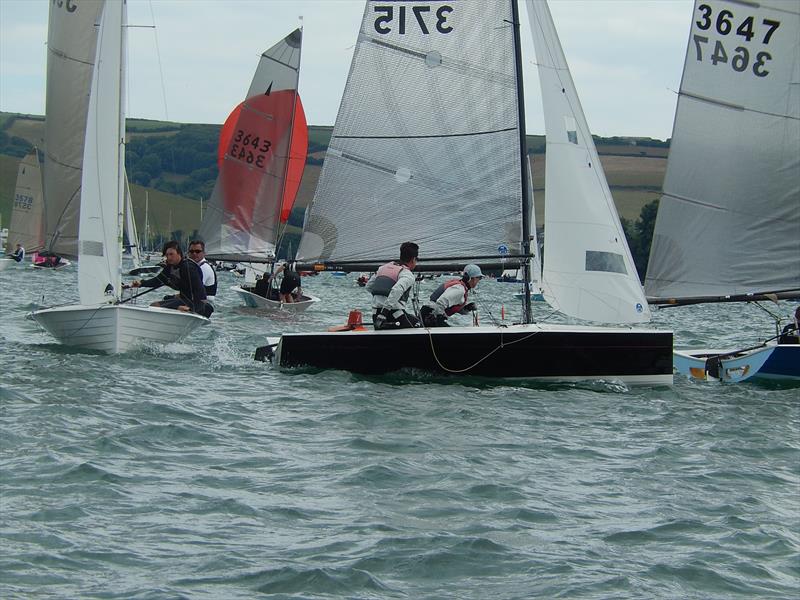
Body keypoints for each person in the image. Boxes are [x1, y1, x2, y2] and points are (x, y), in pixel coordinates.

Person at [127, 240, 210, 316]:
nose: (169, 257)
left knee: (155, 306)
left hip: (196, 304)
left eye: (171, 254)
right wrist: (141, 283)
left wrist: (191, 309)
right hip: (184, 300)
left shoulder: (188, 267)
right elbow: (157, 280)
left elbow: (201, 293)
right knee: (154, 305)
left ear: (179, 254)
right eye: (167, 255)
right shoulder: (170, 267)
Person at [366, 241, 421, 329]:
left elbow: (369, 287)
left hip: (376, 316)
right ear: (413, 259)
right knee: (417, 323)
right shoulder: (407, 274)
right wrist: (384, 312)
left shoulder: (383, 268)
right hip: (392, 316)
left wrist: (380, 297)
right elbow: (396, 289)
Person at [188, 240, 217, 315]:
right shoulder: (195, 266)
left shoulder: (204, 268)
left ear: (203, 253)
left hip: (205, 306)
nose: (194, 254)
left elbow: (195, 289)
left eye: (197, 251)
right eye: (191, 251)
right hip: (196, 302)